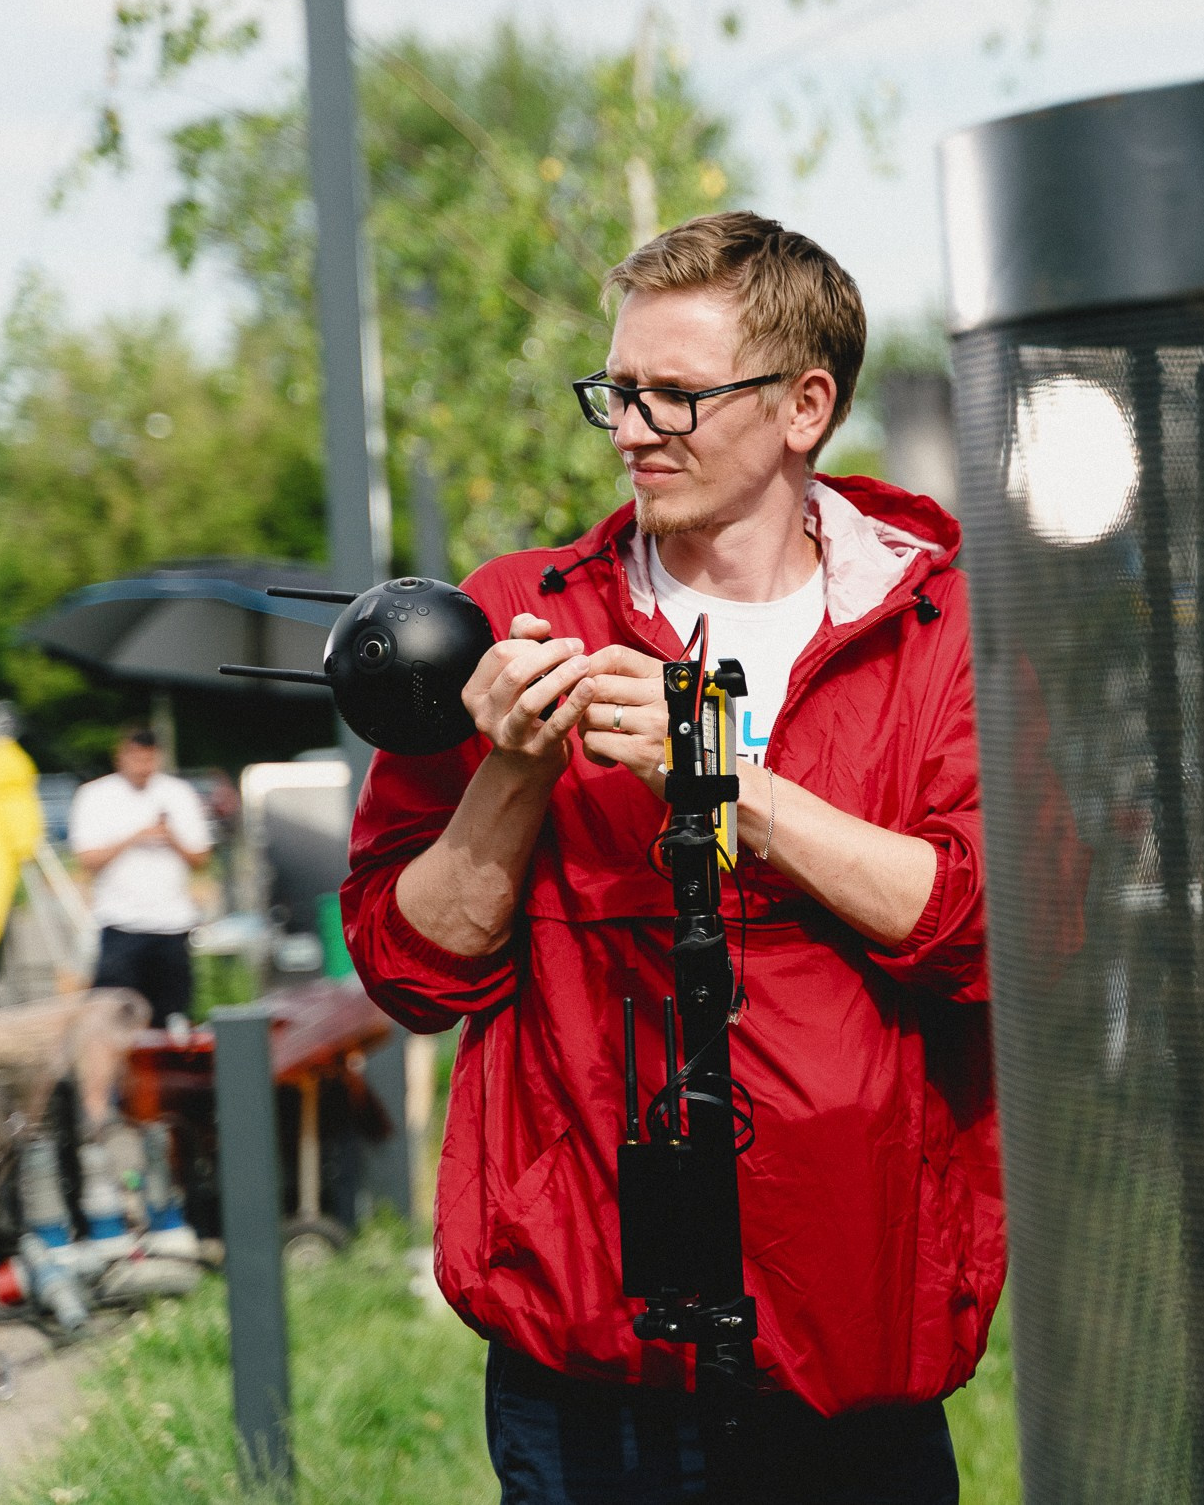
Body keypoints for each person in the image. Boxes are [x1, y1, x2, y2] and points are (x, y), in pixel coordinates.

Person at [342, 212, 993, 1504]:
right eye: (618, 391)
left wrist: (725, 776)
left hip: (857, 1338)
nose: (632, 428)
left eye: (675, 395)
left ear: (807, 404)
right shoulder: (529, 614)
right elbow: (411, 967)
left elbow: (993, 930)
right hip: (591, 1352)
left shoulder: (941, 623)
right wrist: (517, 769)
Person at [69, 725, 211, 1027]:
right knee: (111, 1018)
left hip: (172, 924)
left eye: (148, 759)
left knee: (171, 1016)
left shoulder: (178, 793)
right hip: (121, 923)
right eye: (136, 759)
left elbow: (201, 858)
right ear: (120, 757)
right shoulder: (95, 795)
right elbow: (87, 859)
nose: (142, 768)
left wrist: (170, 838)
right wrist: (134, 838)